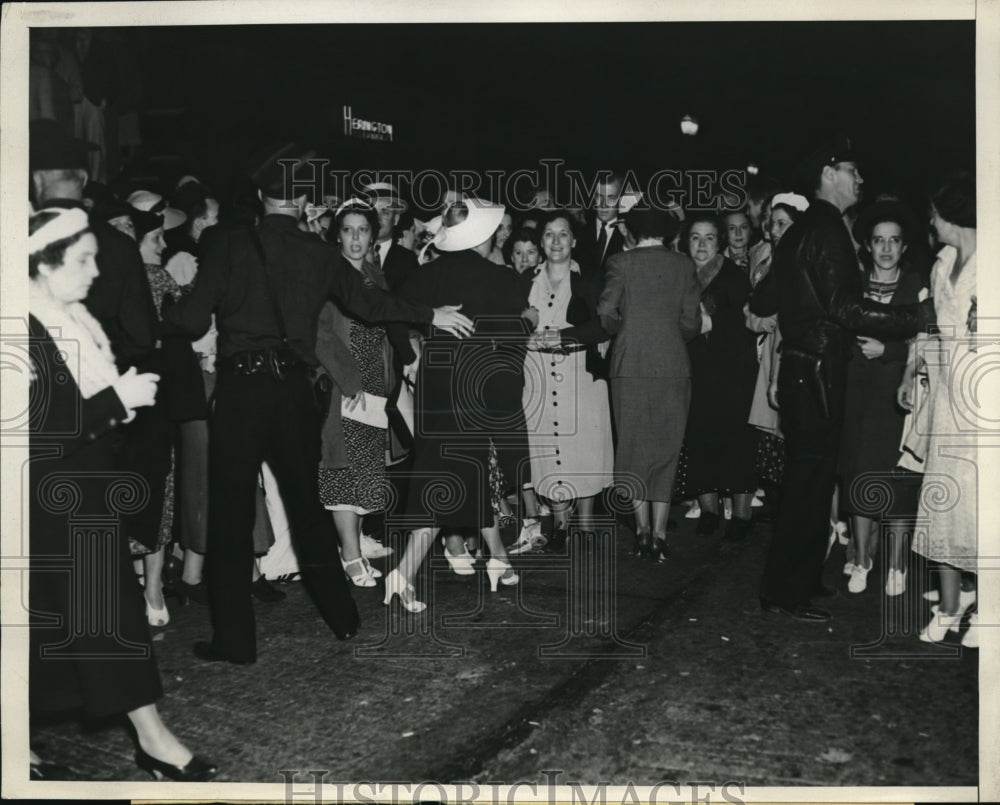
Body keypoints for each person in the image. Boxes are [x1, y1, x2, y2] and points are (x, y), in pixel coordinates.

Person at [163, 144, 474, 663]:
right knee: (308, 504)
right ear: (303, 199)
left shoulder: (230, 245)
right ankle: (343, 617)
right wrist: (429, 314)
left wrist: (163, 312)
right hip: (293, 389)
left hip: (242, 389)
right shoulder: (318, 254)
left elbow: (192, 322)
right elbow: (371, 303)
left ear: (261, 196)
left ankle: (235, 641)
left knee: (231, 511)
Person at [28, 207, 217, 781]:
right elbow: (32, 429)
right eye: (84, 260)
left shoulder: (68, 318)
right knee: (79, 620)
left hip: (81, 492)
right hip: (45, 504)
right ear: (43, 265)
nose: (95, 271)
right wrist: (116, 401)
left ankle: (148, 739)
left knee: (93, 618)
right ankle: (148, 741)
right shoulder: (20, 327)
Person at [758, 136, 936, 622]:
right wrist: (914, 318)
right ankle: (783, 592)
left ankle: (799, 581)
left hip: (806, 368)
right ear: (829, 174)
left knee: (813, 484)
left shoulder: (807, 228)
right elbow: (845, 308)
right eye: (853, 171)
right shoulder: (828, 229)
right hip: (816, 371)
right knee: (807, 484)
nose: (860, 179)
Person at [384, 199, 534, 612]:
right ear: (484, 237)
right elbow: (512, 341)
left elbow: (392, 315)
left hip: (436, 384)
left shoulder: (426, 275)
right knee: (450, 477)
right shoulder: (501, 279)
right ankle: (402, 574)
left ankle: (498, 559)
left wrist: (412, 355)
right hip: (477, 388)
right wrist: (530, 321)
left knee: (466, 469)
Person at [899, 171, 977, 645]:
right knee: (943, 499)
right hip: (946, 398)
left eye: (933, 211)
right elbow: (928, 328)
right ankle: (950, 604)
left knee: (982, 504)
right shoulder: (941, 262)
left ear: (953, 212)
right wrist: (910, 372)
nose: (929, 220)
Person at [598, 205, 702, 561]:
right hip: (673, 364)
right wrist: (670, 336)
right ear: (669, 234)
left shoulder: (620, 263)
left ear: (632, 233)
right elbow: (692, 322)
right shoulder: (684, 266)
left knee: (631, 445)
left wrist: (624, 331)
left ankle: (640, 529)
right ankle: (659, 533)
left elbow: (605, 312)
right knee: (667, 447)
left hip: (629, 364)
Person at [838, 200, 925, 594]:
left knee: (899, 478)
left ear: (904, 246)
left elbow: (925, 341)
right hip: (857, 392)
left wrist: (888, 352)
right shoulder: (851, 285)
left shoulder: (916, 285)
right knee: (857, 472)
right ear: (868, 247)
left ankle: (897, 564)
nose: (886, 249)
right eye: (879, 241)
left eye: (894, 241)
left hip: (899, 395)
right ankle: (860, 557)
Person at [315, 199, 400, 586]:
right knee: (341, 468)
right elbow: (320, 335)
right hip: (341, 385)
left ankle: (356, 543)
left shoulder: (373, 274)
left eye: (362, 230)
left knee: (366, 467)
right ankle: (349, 555)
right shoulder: (327, 276)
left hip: (373, 382)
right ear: (338, 234)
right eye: (347, 230)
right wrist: (349, 381)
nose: (355, 238)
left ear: (372, 235)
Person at [523, 210, 614, 550]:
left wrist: (565, 336)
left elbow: (607, 322)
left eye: (563, 234)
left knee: (584, 448)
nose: (557, 241)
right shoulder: (525, 280)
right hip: (538, 378)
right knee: (549, 447)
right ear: (541, 241)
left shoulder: (591, 278)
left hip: (580, 375)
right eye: (549, 234)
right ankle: (561, 522)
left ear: (574, 241)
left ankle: (587, 523)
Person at [674, 213, 758, 541]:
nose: (702, 244)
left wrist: (713, 325)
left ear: (719, 242)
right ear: (686, 242)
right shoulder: (680, 276)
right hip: (694, 371)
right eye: (696, 237)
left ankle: (741, 513)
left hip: (733, 372)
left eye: (709, 237)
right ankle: (709, 509)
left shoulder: (734, 276)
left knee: (736, 441)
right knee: (699, 439)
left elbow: (747, 324)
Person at [745, 193, 809, 521]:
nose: (775, 230)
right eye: (773, 224)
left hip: (793, 363)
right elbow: (752, 308)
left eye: (784, 224)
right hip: (769, 356)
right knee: (775, 443)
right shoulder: (769, 259)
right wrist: (760, 320)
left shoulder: (803, 263)